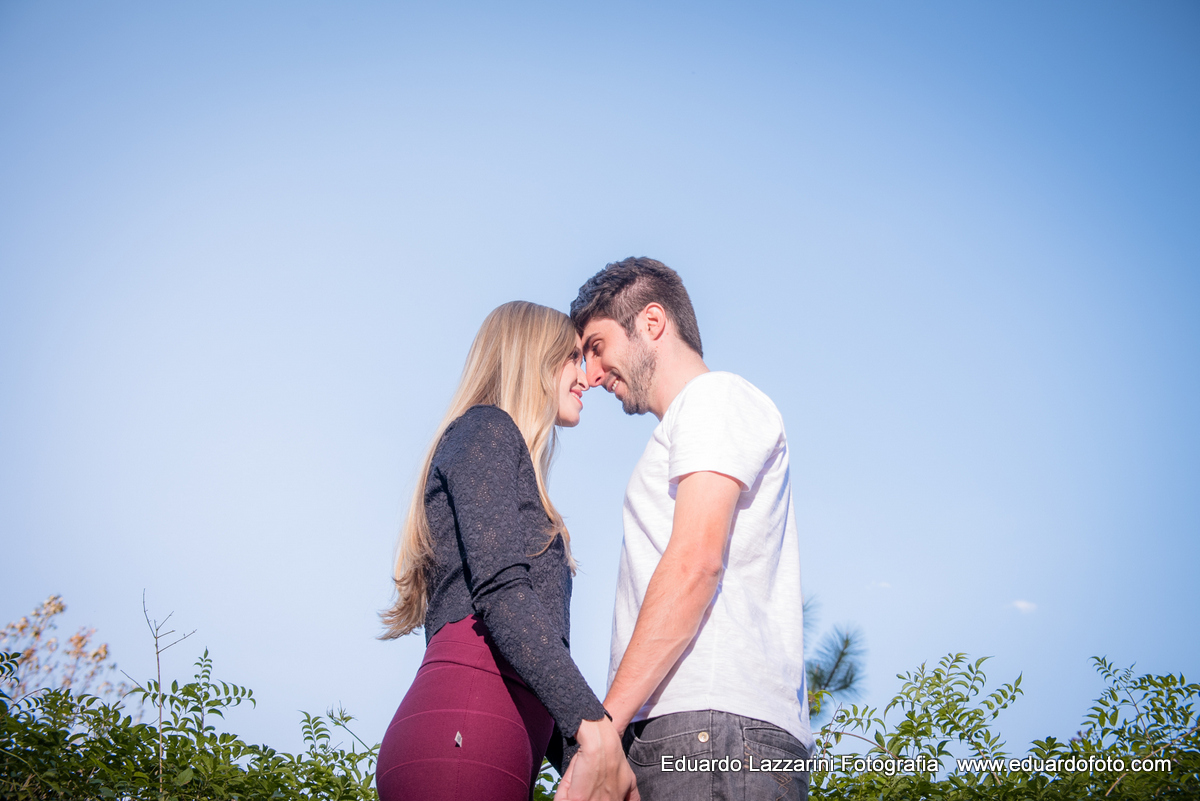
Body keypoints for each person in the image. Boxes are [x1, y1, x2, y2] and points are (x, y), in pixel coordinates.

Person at [568, 259, 814, 800]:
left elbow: (695, 563)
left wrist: (606, 731)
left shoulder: (714, 398)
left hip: (712, 735)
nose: (589, 372)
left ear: (651, 322)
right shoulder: (690, 421)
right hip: (698, 735)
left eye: (597, 345)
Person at [376, 301, 638, 801]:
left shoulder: (499, 448)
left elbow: (538, 657)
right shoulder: (486, 429)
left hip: (497, 739)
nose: (586, 378)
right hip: (466, 731)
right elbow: (502, 595)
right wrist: (596, 730)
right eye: (571, 358)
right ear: (532, 359)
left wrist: (599, 757)